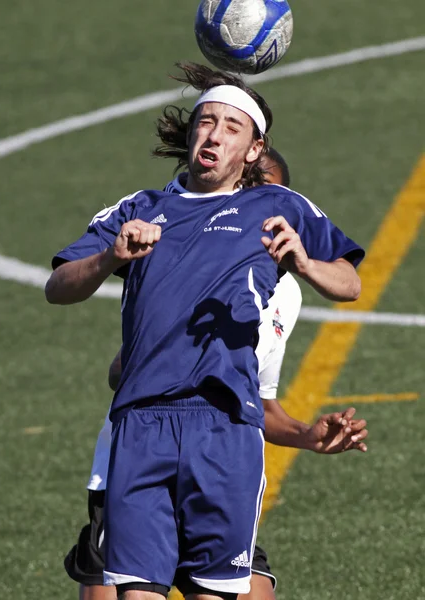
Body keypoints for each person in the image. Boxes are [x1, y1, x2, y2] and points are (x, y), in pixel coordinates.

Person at [47, 62, 366, 600]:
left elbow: (350, 283)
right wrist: (109, 257)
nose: (214, 134)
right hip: (140, 424)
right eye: (205, 121)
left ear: (254, 149)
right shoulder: (140, 208)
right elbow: (58, 286)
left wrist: (306, 263)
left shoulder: (278, 205)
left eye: (231, 126)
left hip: (223, 430)